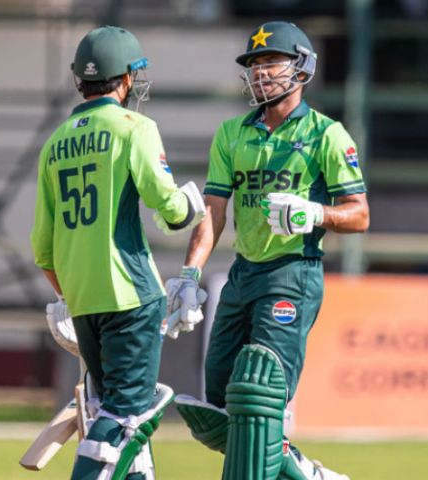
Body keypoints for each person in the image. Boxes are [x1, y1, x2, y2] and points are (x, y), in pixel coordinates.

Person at [167, 21, 369, 480]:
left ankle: (290, 462)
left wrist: (314, 213)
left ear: (302, 68)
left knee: (258, 394)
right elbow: (213, 212)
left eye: (271, 62)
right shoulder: (232, 134)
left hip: (293, 272)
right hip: (244, 272)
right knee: (220, 406)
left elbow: (359, 214)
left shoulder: (327, 134)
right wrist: (189, 276)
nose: (261, 72)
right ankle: (303, 471)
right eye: (255, 64)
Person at [30, 25, 206, 480]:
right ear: (126, 79)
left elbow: (43, 249)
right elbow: (169, 208)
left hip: (83, 303)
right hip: (132, 296)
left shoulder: (54, 143)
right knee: (126, 419)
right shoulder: (135, 127)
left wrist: (70, 295)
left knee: (114, 419)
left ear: (81, 80)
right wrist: (194, 205)